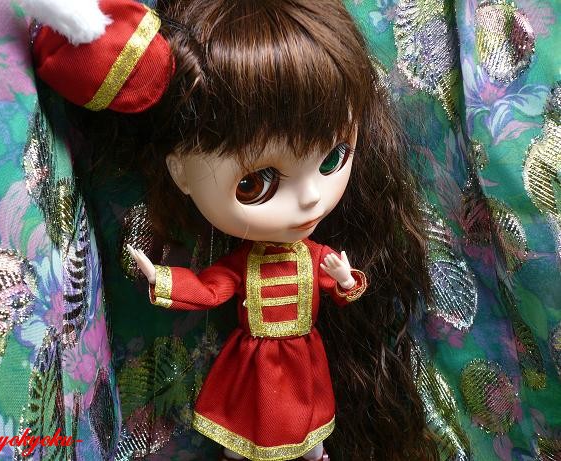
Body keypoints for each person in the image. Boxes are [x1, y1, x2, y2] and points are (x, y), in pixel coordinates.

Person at [28, 0, 438, 459]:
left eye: (332, 159)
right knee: (244, 425)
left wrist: (344, 279)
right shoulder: (245, 265)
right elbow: (209, 289)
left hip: (303, 359)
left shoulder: (316, 255)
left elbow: (344, 289)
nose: (310, 198)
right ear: (181, 172)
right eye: (255, 184)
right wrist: (160, 278)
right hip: (254, 361)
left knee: (310, 428)